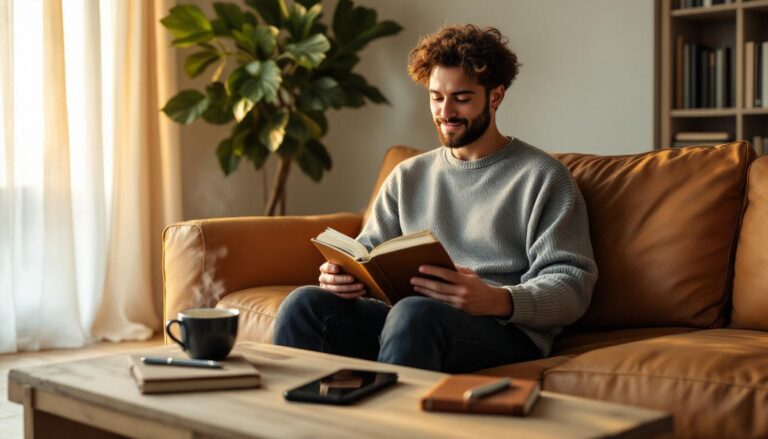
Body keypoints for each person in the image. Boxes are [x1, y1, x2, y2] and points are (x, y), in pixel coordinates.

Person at [273, 24, 598, 373]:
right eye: (436, 97)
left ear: (495, 96)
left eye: (461, 98)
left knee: (414, 313)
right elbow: (368, 253)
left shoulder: (543, 177)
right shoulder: (408, 175)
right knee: (304, 304)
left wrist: (497, 299)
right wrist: (343, 277)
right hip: (408, 318)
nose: (445, 112)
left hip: (503, 330)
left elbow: (572, 284)